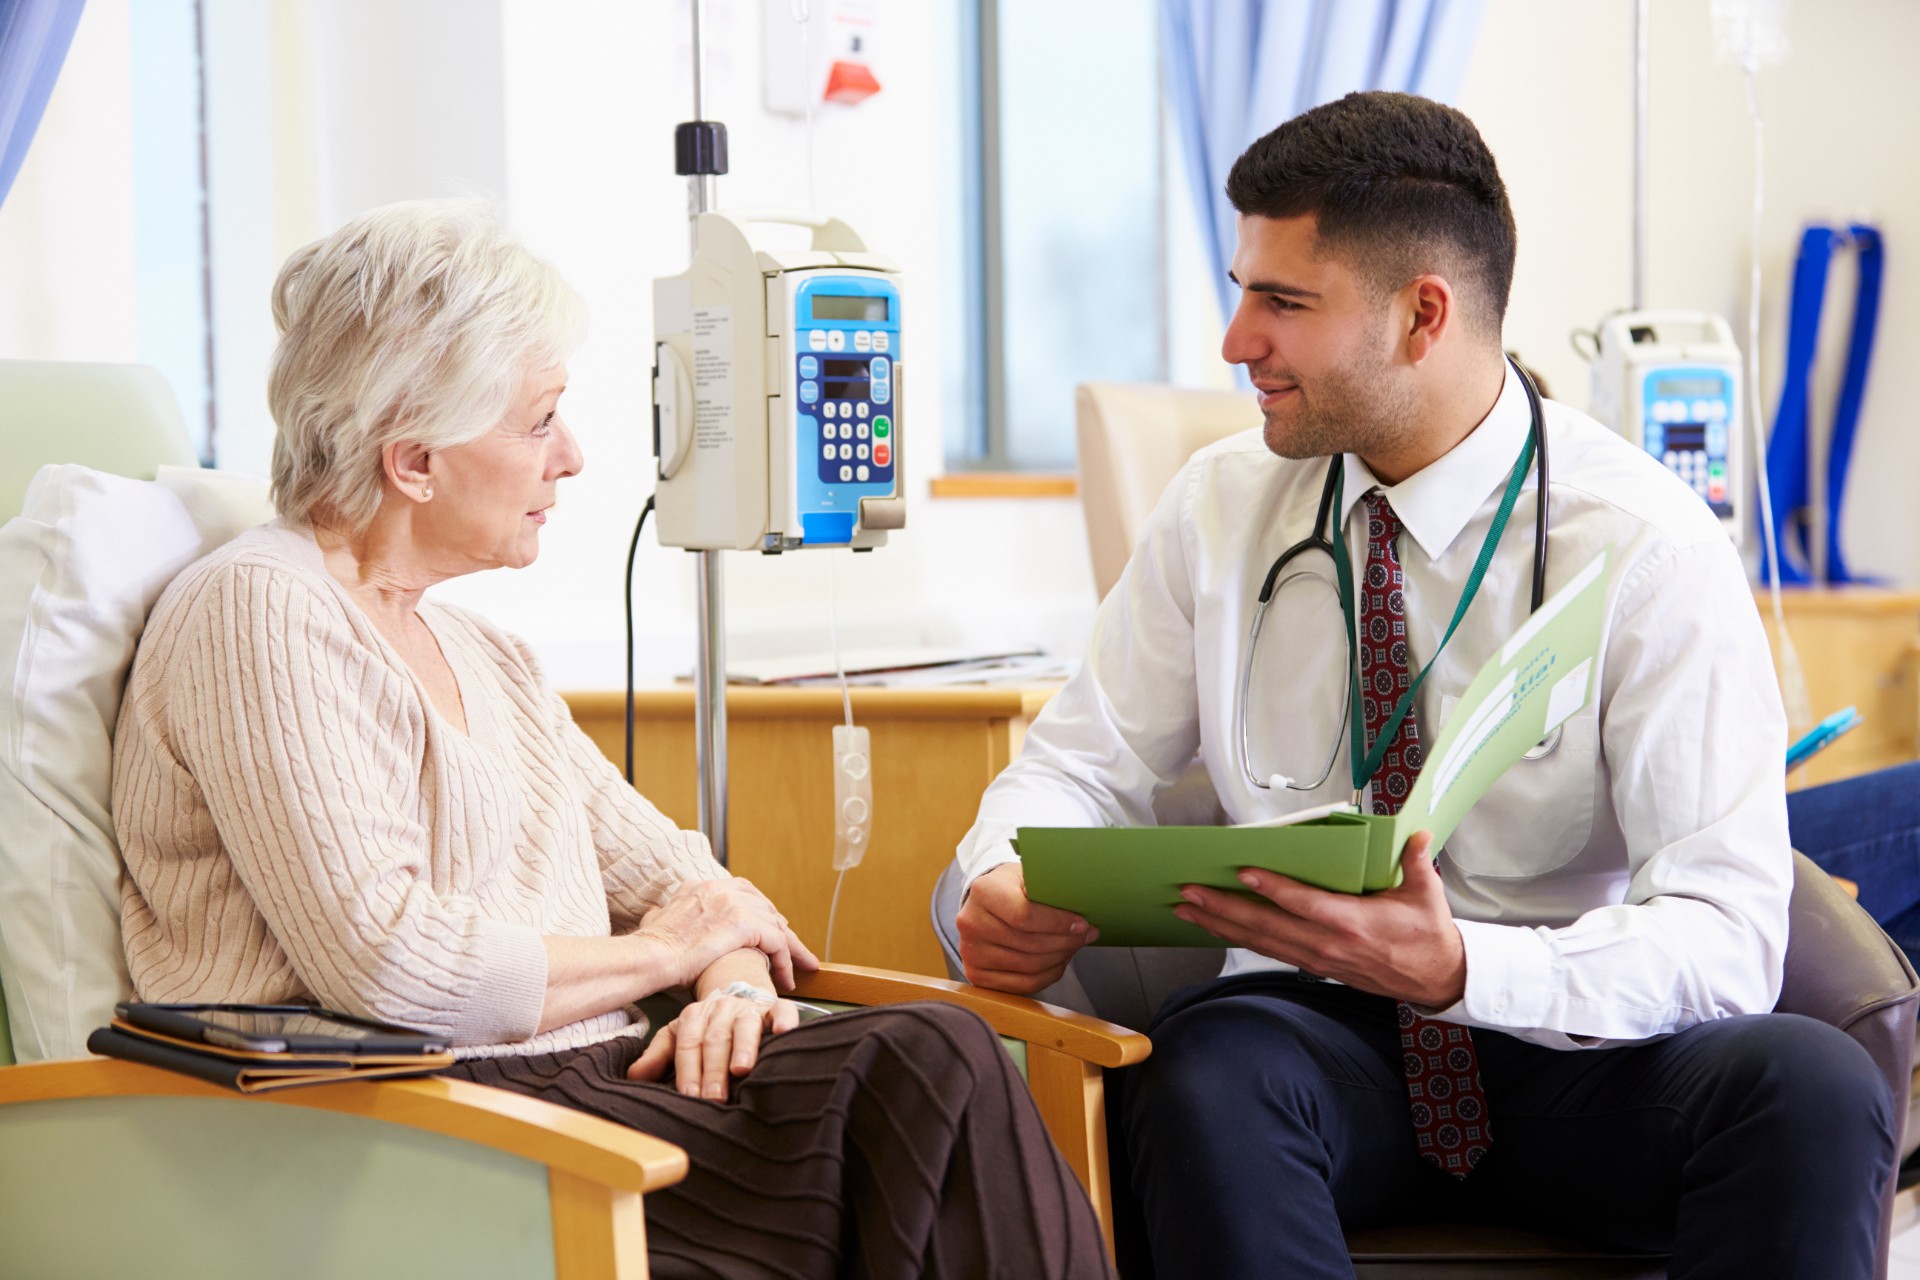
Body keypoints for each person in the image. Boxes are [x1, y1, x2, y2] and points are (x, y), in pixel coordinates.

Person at [951, 92, 1896, 1279]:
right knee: (1203, 1075)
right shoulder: (1220, 508)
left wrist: (1462, 970)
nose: (1236, 341)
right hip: (1315, 1039)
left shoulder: (1646, 544)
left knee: (1811, 1086)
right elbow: (1077, 765)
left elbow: (1726, 933)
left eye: (1283, 302)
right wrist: (994, 878)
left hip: (1575, 1039)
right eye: (1243, 292)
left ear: (1422, 315)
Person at [112, 198, 1111, 1280]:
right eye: (539, 422)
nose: (574, 457)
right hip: (413, 1118)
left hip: (591, 1077)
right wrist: (669, 954)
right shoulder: (258, 612)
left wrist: (732, 983)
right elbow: (396, 968)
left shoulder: (487, 652)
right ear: (414, 459)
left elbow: (693, 883)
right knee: (923, 1095)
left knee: (932, 1052)